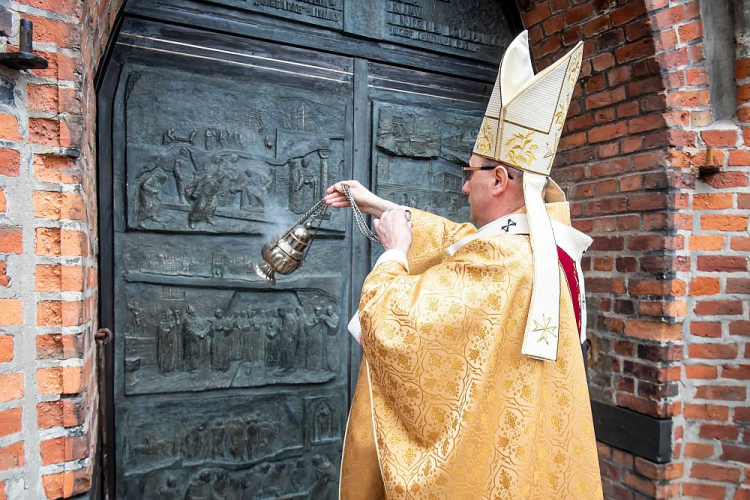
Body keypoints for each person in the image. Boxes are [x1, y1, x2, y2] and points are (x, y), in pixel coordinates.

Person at [326, 31, 603, 499]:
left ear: (498, 180)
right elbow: (459, 241)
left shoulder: (503, 261)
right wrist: (374, 203)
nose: (461, 188)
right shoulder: (539, 242)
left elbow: (396, 325)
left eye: (467, 174)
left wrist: (394, 253)